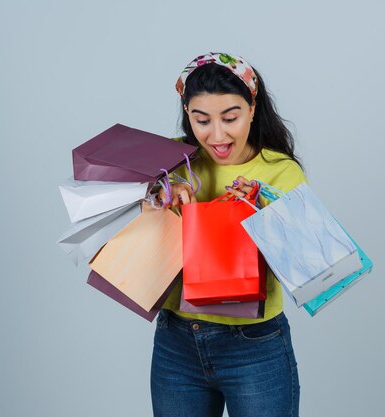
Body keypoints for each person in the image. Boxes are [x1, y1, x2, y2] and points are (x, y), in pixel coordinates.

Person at [152, 52, 305, 417]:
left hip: (254, 345)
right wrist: (155, 197)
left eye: (231, 117)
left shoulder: (280, 171)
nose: (217, 135)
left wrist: (259, 209)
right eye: (201, 120)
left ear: (252, 108)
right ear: (187, 113)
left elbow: (301, 261)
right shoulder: (170, 161)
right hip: (176, 340)